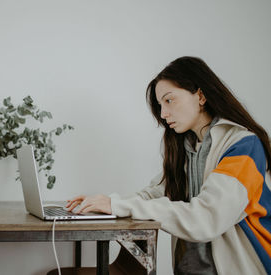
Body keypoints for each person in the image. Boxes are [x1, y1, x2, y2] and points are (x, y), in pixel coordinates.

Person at [66, 56, 271, 275]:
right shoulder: (189, 147)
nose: (163, 114)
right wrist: (107, 203)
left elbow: (206, 218)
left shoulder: (243, 146)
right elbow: (156, 193)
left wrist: (118, 207)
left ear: (200, 96)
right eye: (160, 105)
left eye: (169, 100)